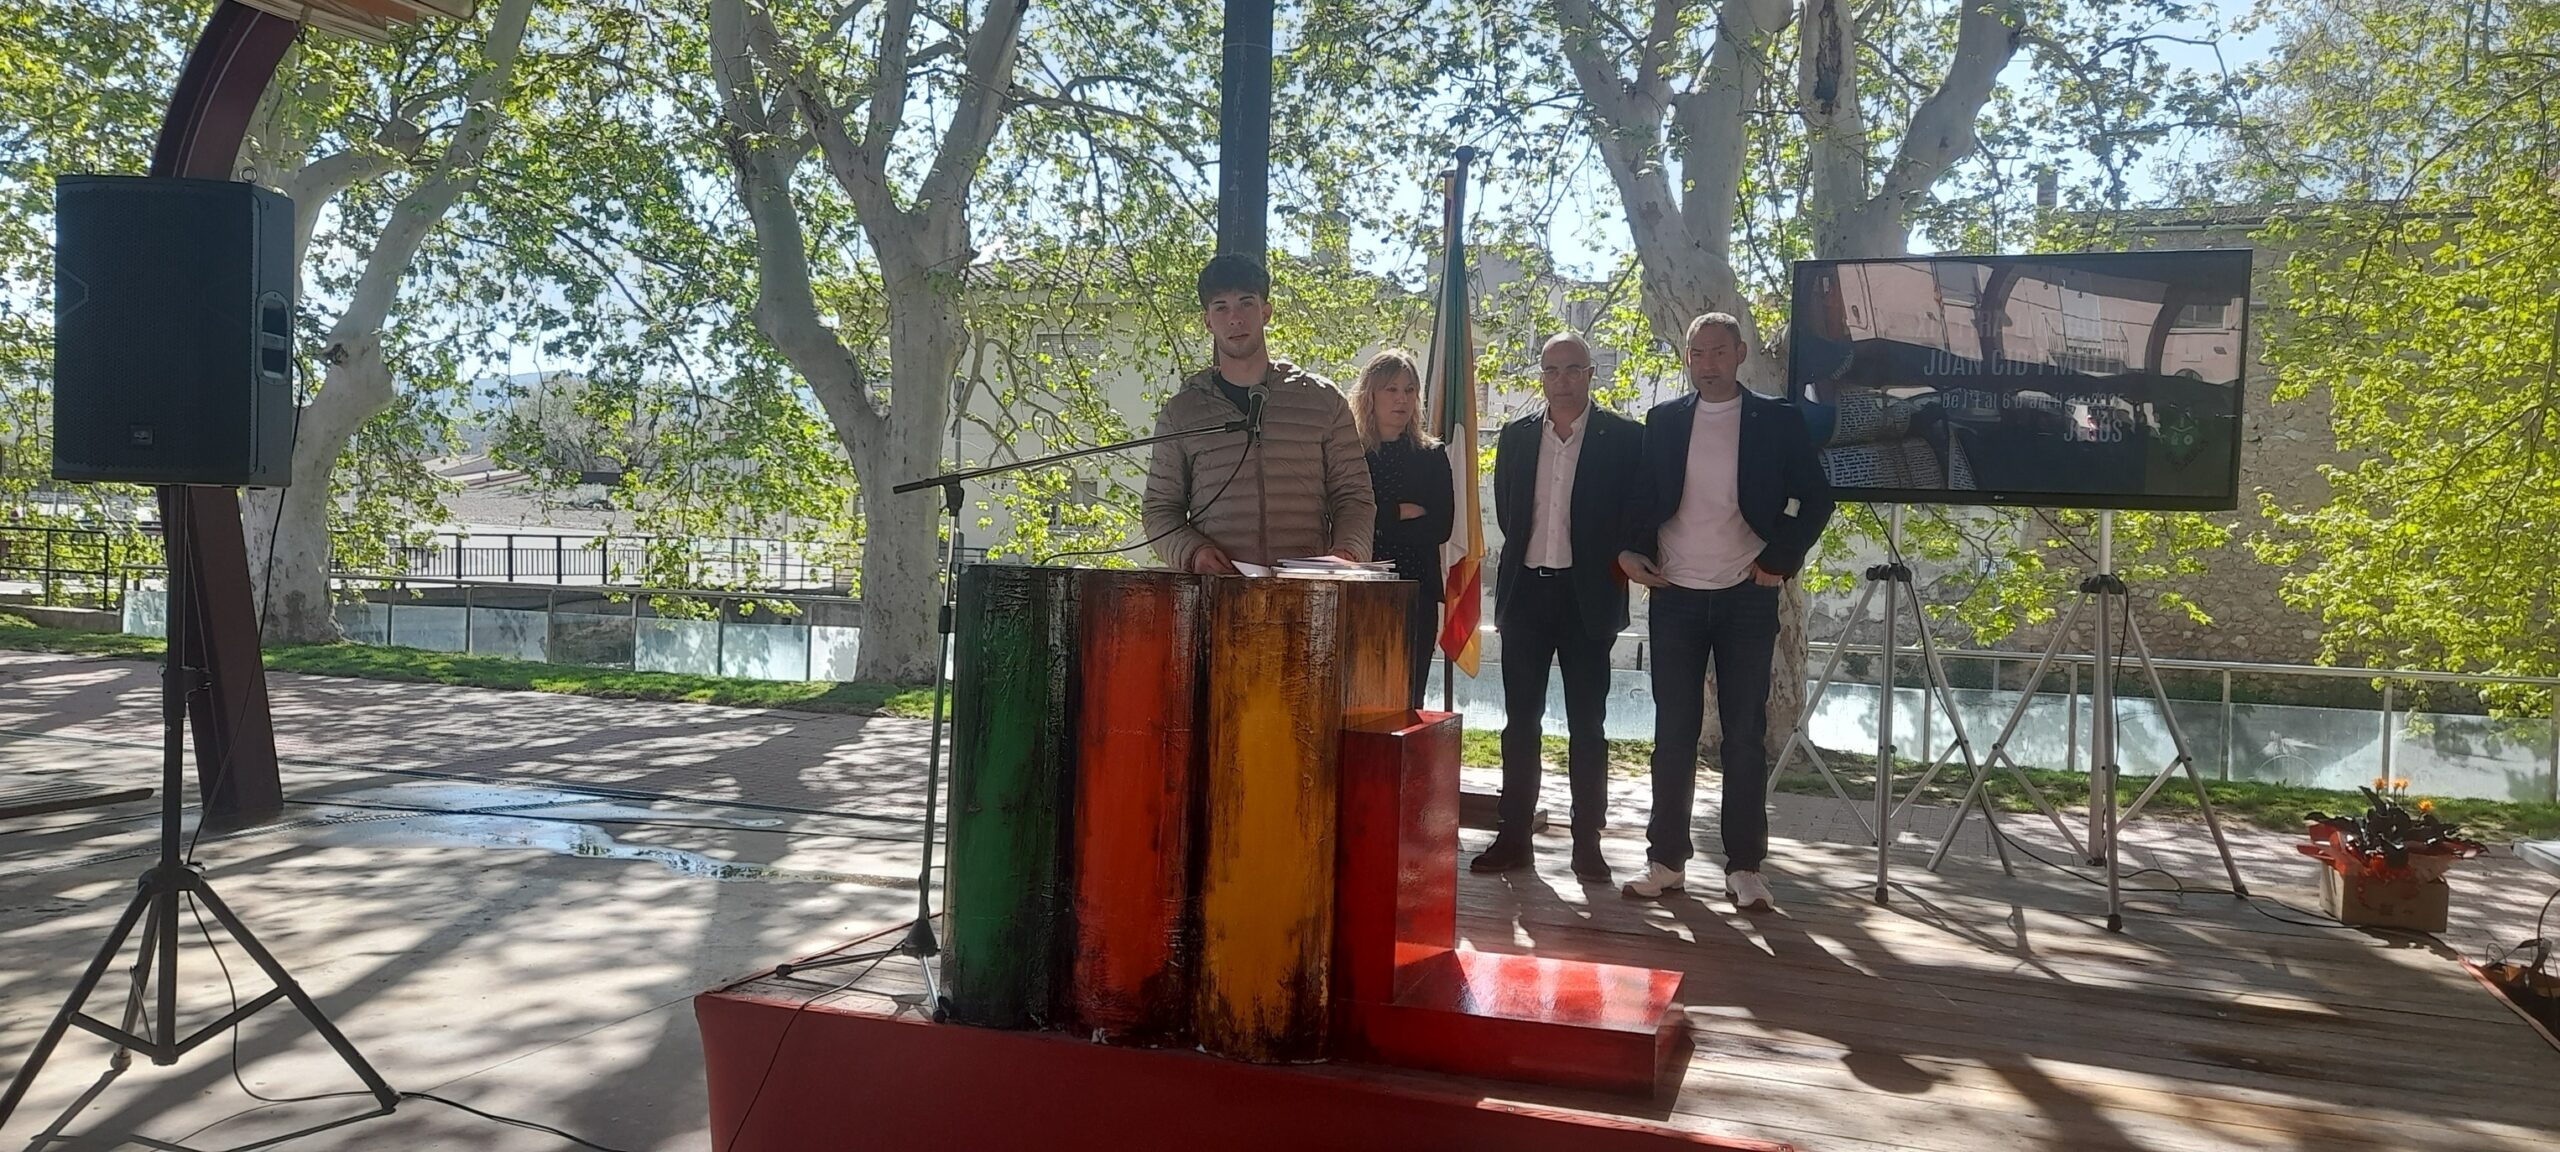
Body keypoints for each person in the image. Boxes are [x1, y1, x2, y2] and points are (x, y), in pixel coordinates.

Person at [1617, 313, 1835, 912]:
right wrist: (1628, 551)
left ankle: (1745, 867)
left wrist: (1779, 560)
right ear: (1687, 359)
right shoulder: (1664, 420)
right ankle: (1666, 861)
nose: (1707, 363)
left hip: (1746, 595)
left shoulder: (1777, 419)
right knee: (1673, 734)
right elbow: (1643, 497)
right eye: (1697, 353)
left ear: (1739, 354)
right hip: (1674, 594)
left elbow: (1817, 497)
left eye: (1718, 351)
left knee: (1744, 736)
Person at [1472, 333, 1643, 883]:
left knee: (1588, 726)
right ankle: (1514, 837)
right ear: (1541, 377)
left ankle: (1587, 843)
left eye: (1572, 369)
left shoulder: (1624, 438)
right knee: (1519, 722)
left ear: (1590, 373)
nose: (1562, 380)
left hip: (1587, 597)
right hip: (1526, 594)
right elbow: (1508, 512)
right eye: (1551, 370)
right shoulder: (1517, 436)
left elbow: (1633, 516)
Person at [1143, 255, 1376, 572]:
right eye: (1221, 307)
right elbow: (1160, 508)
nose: (1235, 318)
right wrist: (1194, 553)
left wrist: (1347, 553)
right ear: (1208, 321)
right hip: (1218, 590)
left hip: (1308, 590)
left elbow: (1354, 495)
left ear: (1266, 312)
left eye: (1246, 303)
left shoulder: (1323, 401)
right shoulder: (1182, 413)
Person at [1350, 349, 1454, 709]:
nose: (1402, 399)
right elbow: (1343, 517)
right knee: (1359, 697)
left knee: (1409, 699)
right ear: (1370, 395)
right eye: (1392, 389)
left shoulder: (1431, 455)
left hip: (1416, 592)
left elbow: (1439, 526)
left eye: (1409, 390)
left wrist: (1378, 523)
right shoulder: (1350, 454)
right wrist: (1399, 512)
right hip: (1359, 590)